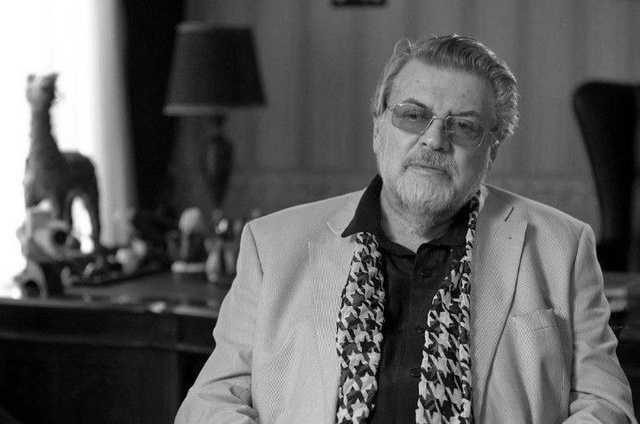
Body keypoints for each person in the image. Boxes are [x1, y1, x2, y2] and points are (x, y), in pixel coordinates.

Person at [175, 34, 636, 423]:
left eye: (464, 126)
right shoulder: (271, 245)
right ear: (379, 128)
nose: (434, 139)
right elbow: (210, 404)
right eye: (413, 115)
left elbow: (607, 406)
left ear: (491, 150)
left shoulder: (563, 246)